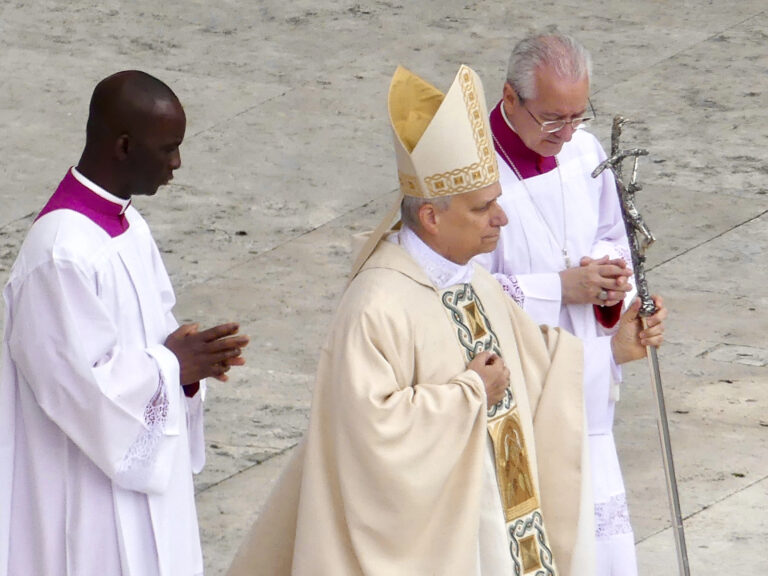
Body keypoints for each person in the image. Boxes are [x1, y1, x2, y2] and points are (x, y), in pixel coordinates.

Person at [227, 64, 656, 576]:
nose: (501, 218)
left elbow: (538, 373)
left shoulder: (473, 282)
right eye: (483, 208)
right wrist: (470, 391)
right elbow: (368, 436)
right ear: (431, 217)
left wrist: (612, 350)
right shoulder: (377, 304)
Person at [0, 70, 250, 576]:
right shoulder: (60, 254)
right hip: (86, 493)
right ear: (123, 145)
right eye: (167, 149)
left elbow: (160, 335)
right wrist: (170, 367)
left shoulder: (128, 224)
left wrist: (191, 365)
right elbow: (78, 391)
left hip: (143, 480)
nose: (177, 163)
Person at [474, 32, 667, 576]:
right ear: (510, 100)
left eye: (577, 116)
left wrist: (612, 289)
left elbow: (611, 233)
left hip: (586, 376)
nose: (566, 133)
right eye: (552, 119)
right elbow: (463, 294)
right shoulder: (474, 176)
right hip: (523, 393)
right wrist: (559, 288)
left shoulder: (585, 151)